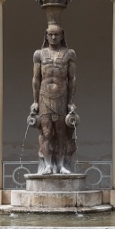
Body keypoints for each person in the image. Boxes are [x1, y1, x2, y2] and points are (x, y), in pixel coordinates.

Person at [29, 24, 78, 174]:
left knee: (61, 132)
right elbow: (36, 79)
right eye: (50, 34)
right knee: (46, 132)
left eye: (57, 34)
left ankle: (62, 165)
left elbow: (72, 79)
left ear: (62, 36)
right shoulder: (39, 54)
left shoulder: (69, 54)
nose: (54, 37)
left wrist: (70, 102)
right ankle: (48, 165)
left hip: (61, 95)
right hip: (44, 96)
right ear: (46, 36)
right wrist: (35, 101)